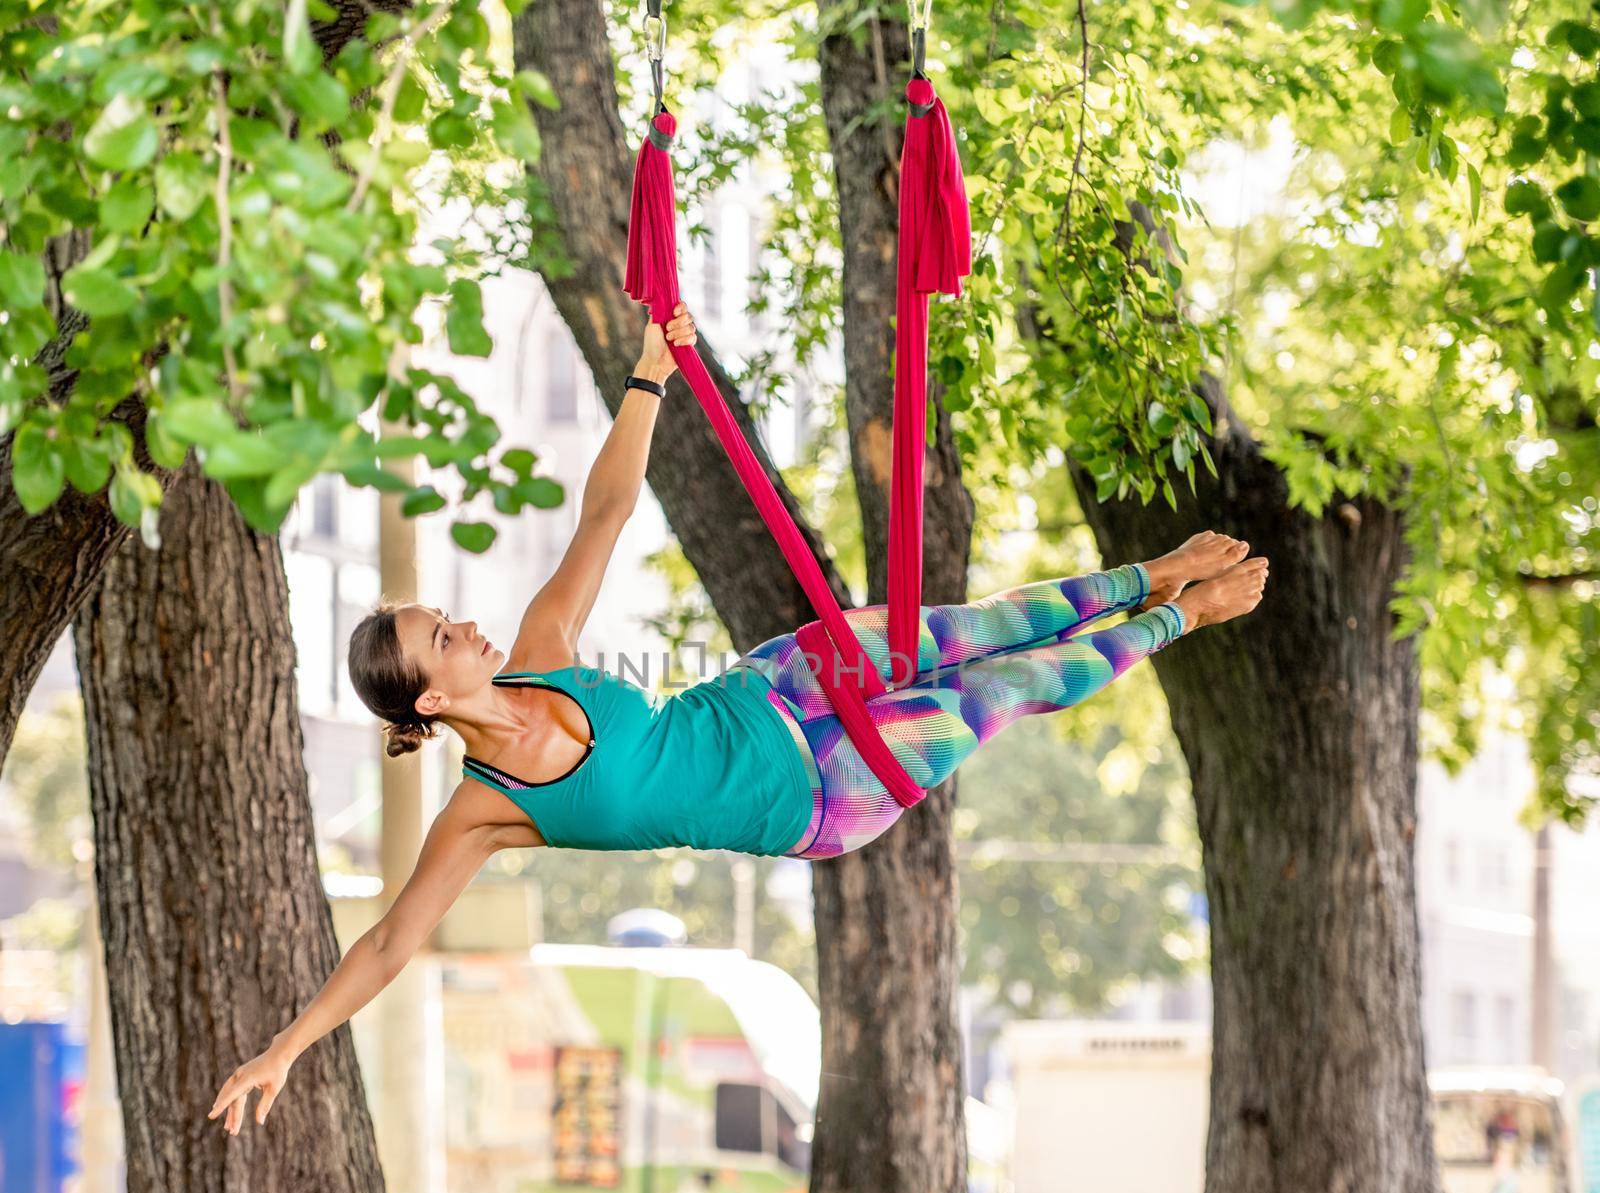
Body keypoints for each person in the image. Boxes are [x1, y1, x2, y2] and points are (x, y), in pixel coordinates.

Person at [207, 302, 1268, 1134]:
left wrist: (647, 376)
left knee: (974, 627)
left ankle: (1151, 571)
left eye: (445, 614)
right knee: (1001, 687)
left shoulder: (542, 653)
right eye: (442, 635)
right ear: (430, 700)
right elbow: (391, 939)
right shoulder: (485, 812)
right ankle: (1181, 615)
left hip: (774, 688)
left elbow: (608, 509)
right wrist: (288, 1048)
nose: (465, 624)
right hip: (815, 796)